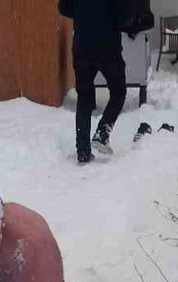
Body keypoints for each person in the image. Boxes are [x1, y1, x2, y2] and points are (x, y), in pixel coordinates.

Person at [59, 0, 128, 164]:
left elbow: (64, 8)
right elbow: (125, 14)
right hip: (108, 46)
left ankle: (83, 152)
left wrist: (84, 15)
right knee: (119, 92)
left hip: (82, 46)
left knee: (84, 98)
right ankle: (102, 133)